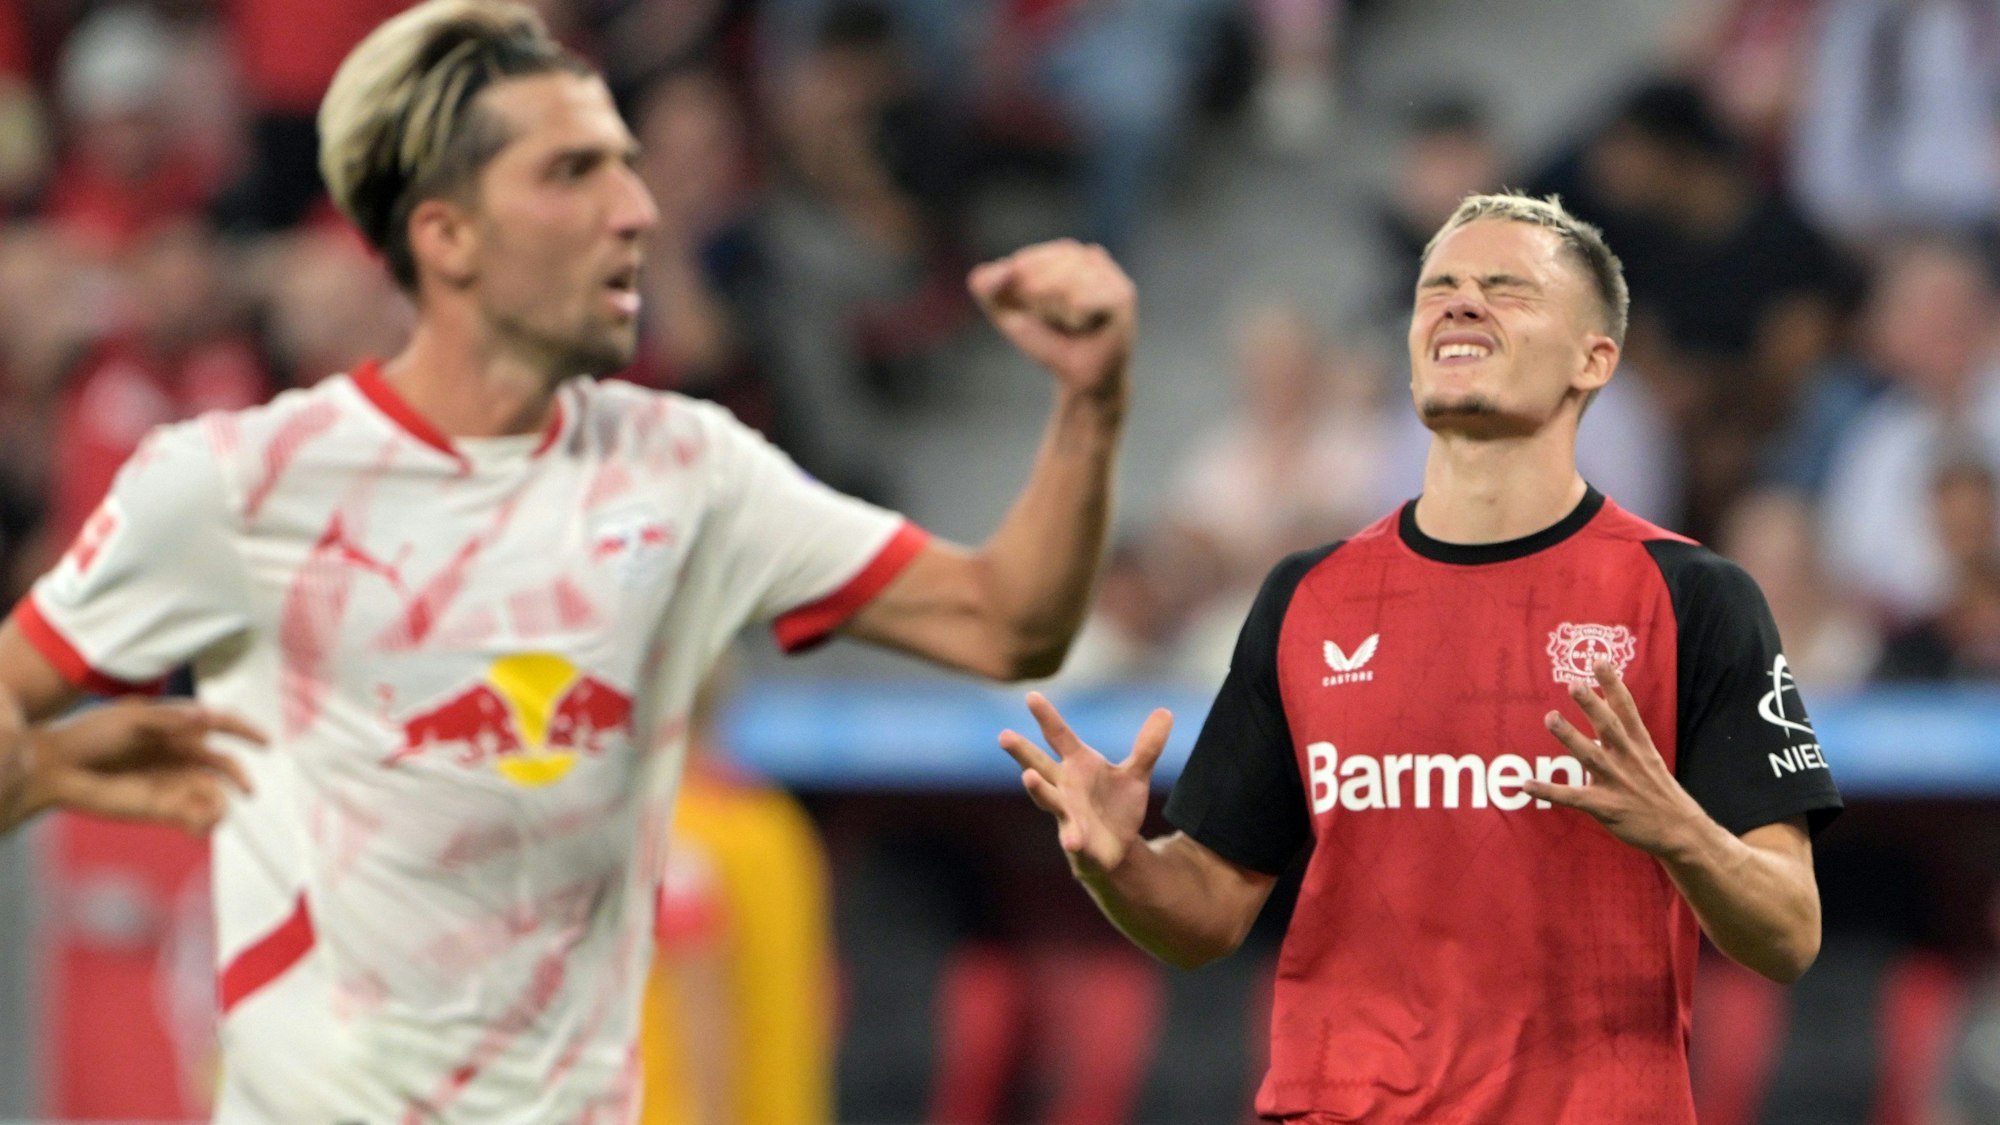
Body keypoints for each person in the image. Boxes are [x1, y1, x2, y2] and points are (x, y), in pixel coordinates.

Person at [0, 0, 1137, 1118]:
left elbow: (1003, 623)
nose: (634, 210)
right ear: (445, 236)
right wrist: (46, 774)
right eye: (571, 177)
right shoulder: (235, 483)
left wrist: (1086, 412)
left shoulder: (685, 471)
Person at [1000, 191, 1843, 1122]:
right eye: (1438, 286)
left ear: (1593, 358)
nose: (1459, 302)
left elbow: (1790, 933)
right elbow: (1208, 909)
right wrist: (1122, 866)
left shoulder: (1690, 598)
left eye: (1506, 287)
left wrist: (1680, 829)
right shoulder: (1307, 598)